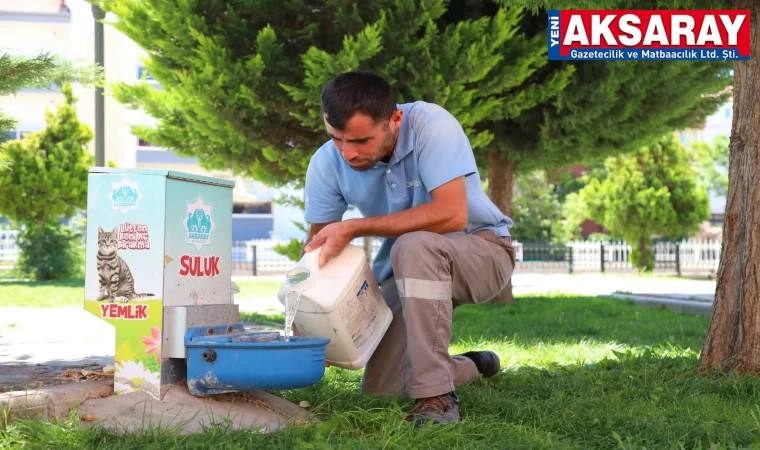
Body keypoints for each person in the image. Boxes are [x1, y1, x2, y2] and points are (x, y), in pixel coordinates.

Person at [300, 71, 515, 427]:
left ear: (395, 119)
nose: (348, 153)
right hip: (406, 272)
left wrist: (354, 227)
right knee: (381, 391)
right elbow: (318, 253)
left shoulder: (433, 125)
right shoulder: (326, 163)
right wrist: (306, 323)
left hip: (483, 252)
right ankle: (471, 365)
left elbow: (451, 213)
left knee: (412, 245)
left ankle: (437, 399)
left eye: (361, 140)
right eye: (336, 138)